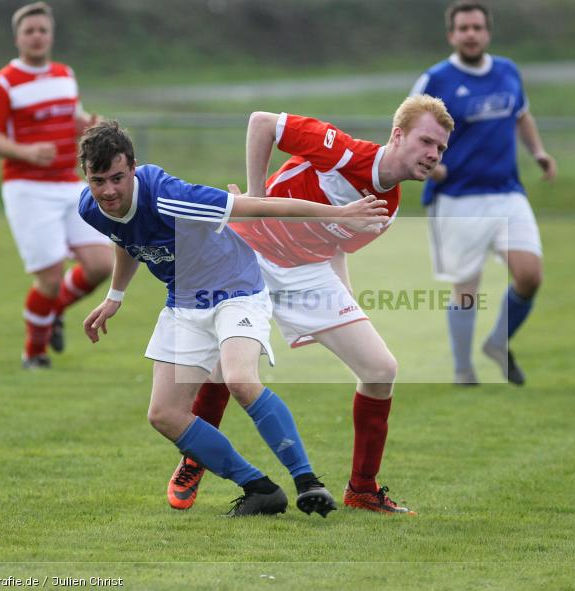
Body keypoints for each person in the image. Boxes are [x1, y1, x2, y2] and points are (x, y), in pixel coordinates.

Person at [78, 120, 389, 516]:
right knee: (164, 414)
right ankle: (259, 489)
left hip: (236, 287)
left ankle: (308, 482)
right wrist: (115, 296)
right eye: (98, 180)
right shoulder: (92, 206)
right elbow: (123, 236)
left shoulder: (171, 197)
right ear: (86, 176)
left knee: (240, 379)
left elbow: (260, 206)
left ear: (134, 168)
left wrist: (340, 213)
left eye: (117, 179)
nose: (108, 191)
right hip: (185, 301)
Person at [168, 95, 453, 516]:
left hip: (306, 273)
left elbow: (334, 249)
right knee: (222, 369)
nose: (433, 154)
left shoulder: (388, 208)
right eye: (426, 141)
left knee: (380, 370)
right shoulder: (341, 150)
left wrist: (347, 306)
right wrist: (256, 199)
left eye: (441, 148)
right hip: (251, 256)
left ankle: (362, 488)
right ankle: (196, 460)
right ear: (398, 135)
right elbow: (261, 122)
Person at [410, 1, 556, 386]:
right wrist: (429, 165)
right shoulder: (435, 80)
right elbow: (406, 130)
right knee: (467, 289)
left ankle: (496, 342)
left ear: (487, 32)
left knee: (530, 275)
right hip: (457, 197)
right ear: (451, 35)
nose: (471, 34)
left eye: (477, 27)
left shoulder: (507, 71)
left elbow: (522, 114)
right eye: (463, 28)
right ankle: (462, 371)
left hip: (507, 192)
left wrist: (538, 152)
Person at [0, 2, 112, 369]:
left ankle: (50, 312)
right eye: (30, 31)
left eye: (43, 30)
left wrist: (90, 125)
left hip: (68, 183)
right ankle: (33, 354)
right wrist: (25, 150)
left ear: (51, 35)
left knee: (102, 264)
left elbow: (72, 117)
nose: (37, 37)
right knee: (50, 278)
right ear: (18, 37)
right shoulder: (5, 82)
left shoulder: (64, 74)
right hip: (27, 188)